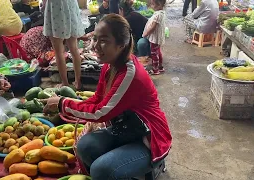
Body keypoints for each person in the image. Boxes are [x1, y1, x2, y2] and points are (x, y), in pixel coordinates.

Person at [43, 14, 172, 180]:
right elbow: (98, 99)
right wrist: (72, 106)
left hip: (148, 139)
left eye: (103, 40)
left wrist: (62, 103)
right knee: (85, 146)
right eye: (95, 39)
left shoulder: (130, 74)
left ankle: (150, 166)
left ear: (121, 44)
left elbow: (101, 112)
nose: (95, 46)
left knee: (101, 170)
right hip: (126, 130)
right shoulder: (110, 65)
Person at [43, 0, 84, 89]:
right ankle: (78, 82)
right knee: (74, 49)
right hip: (70, 5)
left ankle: (65, 83)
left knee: (58, 52)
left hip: (55, 7)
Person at [142, 0, 166, 75]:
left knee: (154, 53)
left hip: (155, 38)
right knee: (158, 52)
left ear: (159, 5)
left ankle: (155, 69)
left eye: (153, 4)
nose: (151, 6)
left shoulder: (157, 15)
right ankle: (160, 67)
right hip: (158, 37)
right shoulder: (162, 13)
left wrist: (145, 34)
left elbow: (153, 27)